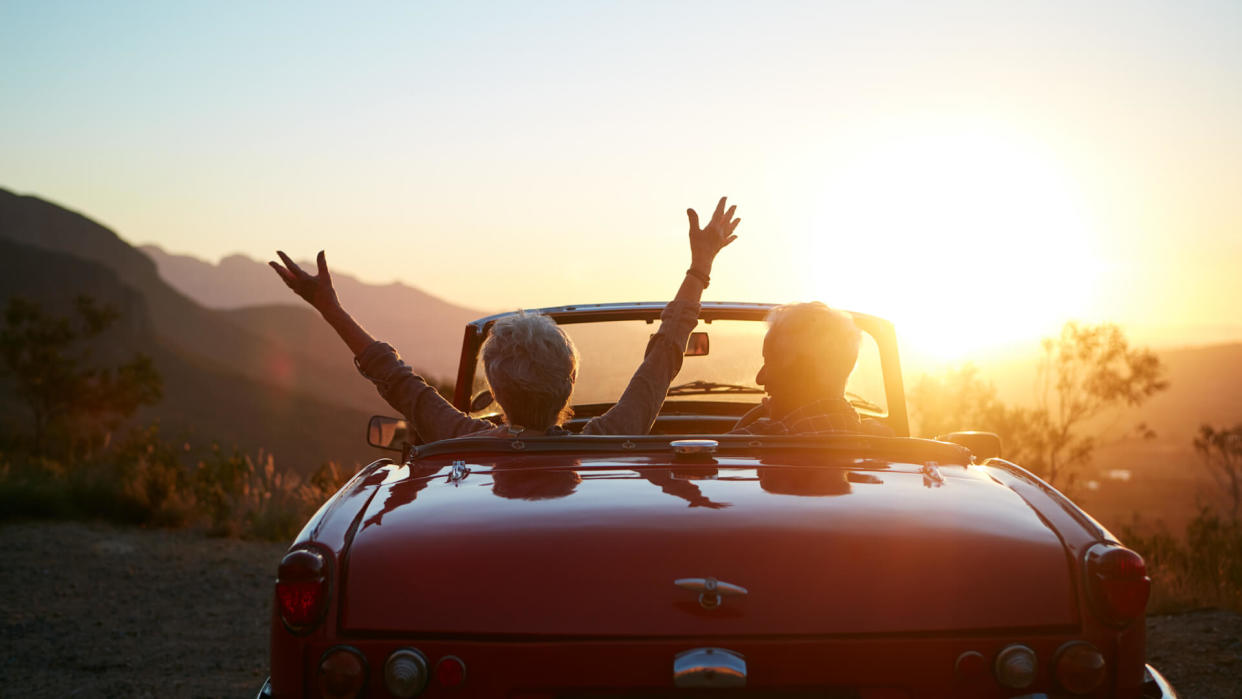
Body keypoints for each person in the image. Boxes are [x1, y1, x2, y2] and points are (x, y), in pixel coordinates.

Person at [269, 197, 739, 440]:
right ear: (569, 381)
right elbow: (665, 356)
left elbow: (392, 375)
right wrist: (700, 267)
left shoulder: (465, 438)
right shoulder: (611, 438)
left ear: (494, 391)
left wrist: (329, 308)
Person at [730, 301, 883, 436]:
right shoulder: (879, 444)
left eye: (770, 361)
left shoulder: (750, 439)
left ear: (805, 372)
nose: (760, 378)